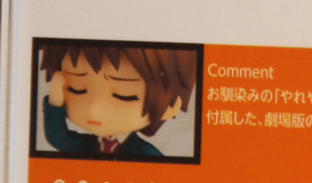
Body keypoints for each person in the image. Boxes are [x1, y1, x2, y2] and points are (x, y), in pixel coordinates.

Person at [39, 43, 197, 157]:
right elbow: (57, 137)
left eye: (124, 96)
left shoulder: (144, 153)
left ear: (170, 107)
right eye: (77, 89)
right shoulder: (85, 145)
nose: (94, 109)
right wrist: (55, 102)